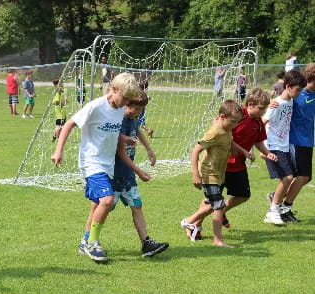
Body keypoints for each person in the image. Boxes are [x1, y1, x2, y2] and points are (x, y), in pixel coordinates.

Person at [51, 72, 141, 262]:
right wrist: (58, 151)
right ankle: (93, 243)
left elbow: (111, 131)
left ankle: (84, 242)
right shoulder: (95, 106)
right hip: (91, 161)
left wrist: (124, 138)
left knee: (97, 206)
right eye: (125, 97)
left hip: (107, 163)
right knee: (107, 200)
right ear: (114, 89)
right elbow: (68, 125)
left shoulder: (119, 109)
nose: (126, 102)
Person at [181, 89, 277, 240]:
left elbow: (258, 140)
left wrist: (266, 152)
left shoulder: (258, 123)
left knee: (243, 195)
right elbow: (218, 125)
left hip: (238, 164)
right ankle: (196, 225)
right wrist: (232, 145)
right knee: (211, 201)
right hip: (220, 165)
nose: (263, 112)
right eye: (261, 108)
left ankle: (219, 212)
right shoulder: (237, 114)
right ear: (251, 104)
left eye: (265, 108)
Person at [109, 93, 168, 257]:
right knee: (103, 208)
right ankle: (89, 239)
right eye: (137, 109)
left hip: (127, 175)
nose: (139, 113)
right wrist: (139, 171)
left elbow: (138, 130)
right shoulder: (118, 119)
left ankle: (146, 244)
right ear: (127, 104)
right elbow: (121, 154)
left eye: (141, 110)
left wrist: (149, 149)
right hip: (113, 173)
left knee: (137, 205)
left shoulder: (134, 118)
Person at [181, 100, 242, 248]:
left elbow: (229, 141)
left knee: (210, 205)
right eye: (233, 122)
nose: (235, 125)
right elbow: (196, 150)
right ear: (222, 116)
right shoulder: (215, 131)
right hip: (209, 174)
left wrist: (243, 151)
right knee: (219, 206)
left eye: (237, 122)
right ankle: (217, 240)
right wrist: (195, 174)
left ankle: (188, 222)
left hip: (219, 174)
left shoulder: (227, 129)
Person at [262, 70, 306, 225]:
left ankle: (275, 198)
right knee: (287, 178)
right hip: (273, 146)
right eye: (298, 90)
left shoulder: (291, 101)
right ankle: (273, 212)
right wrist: (263, 149)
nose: (300, 93)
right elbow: (262, 124)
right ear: (288, 87)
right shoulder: (276, 105)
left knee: (292, 177)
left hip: (285, 146)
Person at [273, 63, 315, 222]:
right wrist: (272, 103)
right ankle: (284, 207)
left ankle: (280, 198)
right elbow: (280, 100)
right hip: (296, 141)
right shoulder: (297, 94)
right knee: (303, 176)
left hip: (308, 140)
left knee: (305, 177)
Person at [52, 77, 67, 142]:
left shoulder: (62, 91)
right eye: (61, 83)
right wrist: (62, 103)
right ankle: (58, 138)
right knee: (59, 126)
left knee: (59, 126)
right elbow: (55, 102)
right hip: (59, 112)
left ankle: (54, 137)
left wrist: (65, 101)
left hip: (63, 112)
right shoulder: (58, 92)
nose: (63, 85)